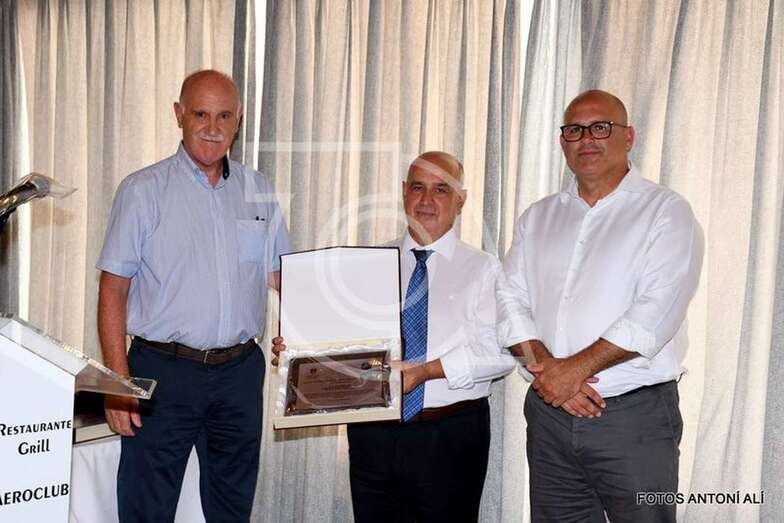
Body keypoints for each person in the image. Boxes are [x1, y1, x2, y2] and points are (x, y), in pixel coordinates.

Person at [272, 151, 516, 522]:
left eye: (441, 190)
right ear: (404, 193)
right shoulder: (366, 264)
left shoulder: (484, 268)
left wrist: (427, 371)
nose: (427, 200)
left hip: (450, 435)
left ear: (461, 200)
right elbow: (338, 342)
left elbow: (501, 353)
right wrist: (298, 352)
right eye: (418, 187)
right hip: (374, 434)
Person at [497, 90, 704, 522]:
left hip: (634, 417)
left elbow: (656, 312)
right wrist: (550, 372)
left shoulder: (666, 212)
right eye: (574, 129)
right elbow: (509, 299)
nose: (586, 138)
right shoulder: (537, 217)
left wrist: (569, 373)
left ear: (628, 136)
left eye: (600, 127)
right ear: (562, 142)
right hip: (550, 414)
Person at [97, 69, 290, 523]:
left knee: (232, 506)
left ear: (238, 120)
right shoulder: (142, 190)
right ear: (179, 115)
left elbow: (283, 277)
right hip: (162, 373)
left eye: (224, 115)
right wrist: (119, 386)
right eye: (200, 114)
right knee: (147, 507)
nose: (212, 127)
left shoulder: (258, 190)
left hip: (241, 374)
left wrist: (306, 343)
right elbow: (113, 289)